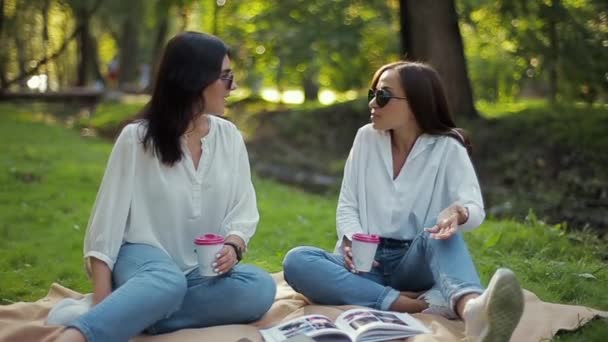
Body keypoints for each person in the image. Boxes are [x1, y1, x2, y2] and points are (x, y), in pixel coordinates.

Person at [55, 32, 276, 342]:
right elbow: (106, 226)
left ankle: (140, 312)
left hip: (199, 271)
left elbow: (243, 207)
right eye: (226, 77)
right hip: (142, 260)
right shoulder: (137, 139)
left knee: (260, 287)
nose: (234, 87)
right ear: (194, 79)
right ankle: (82, 334)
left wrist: (234, 245)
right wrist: (101, 301)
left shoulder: (230, 138)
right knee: (166, 282)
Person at [282, 61, 524, 342]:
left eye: (383, 96)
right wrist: (352, 238)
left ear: (416, 103)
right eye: (373, 94)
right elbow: (348, 204)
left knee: (438, 229)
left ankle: (473, 310)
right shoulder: (365, 138)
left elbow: (474, 207)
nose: (373, 102)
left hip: (415, 263)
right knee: (297, 261)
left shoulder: (448, 148)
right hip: (364, 265)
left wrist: (458, 212)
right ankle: (411, 304)